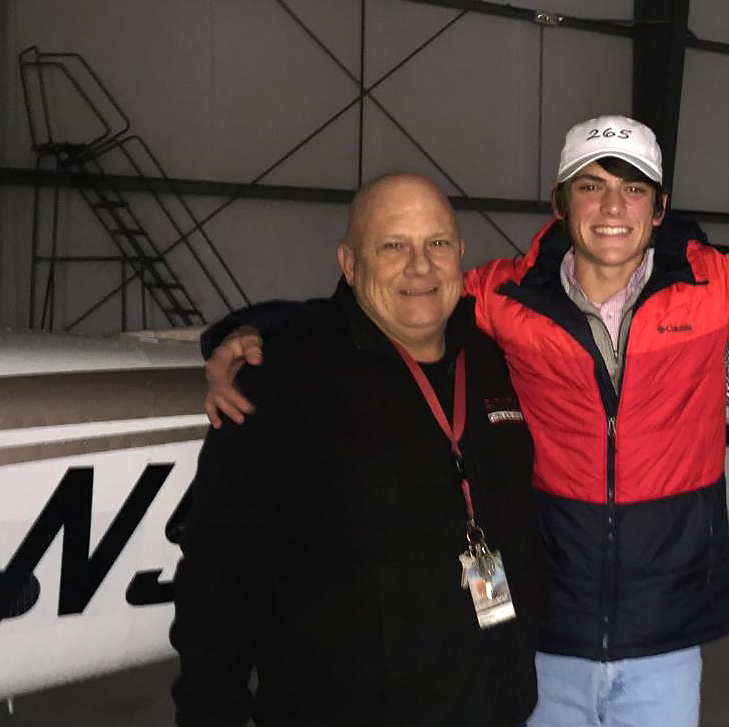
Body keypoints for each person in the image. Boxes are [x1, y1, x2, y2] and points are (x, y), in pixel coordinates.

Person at [198, 115, 729, 727]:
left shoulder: (722, 287)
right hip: (548, 633)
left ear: (658, 208)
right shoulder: (502, 297)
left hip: (663, 636)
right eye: (591, 186)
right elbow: (399, 303)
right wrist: (256, 330)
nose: (612, 206)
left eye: (633, 188)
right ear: (561, 203)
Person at [171, 174, 545, 727]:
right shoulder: (282, 381)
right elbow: (219, 570)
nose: (420, 266)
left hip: (494, 707)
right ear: (349, 263)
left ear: (460, 255)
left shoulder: (491, 360)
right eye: (393, 245)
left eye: (437, 243)